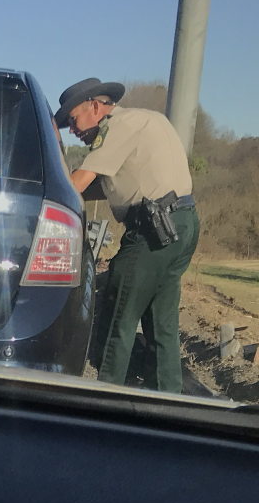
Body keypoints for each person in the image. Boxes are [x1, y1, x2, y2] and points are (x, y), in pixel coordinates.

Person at [54, 78, 199, 393]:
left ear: (95, 106)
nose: (73, 130)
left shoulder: (115, 128)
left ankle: (107, 401)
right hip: (182, 224)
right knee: (161, 325)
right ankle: (168, 402)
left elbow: (77, 183)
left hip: (152, 230)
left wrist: (51, 177)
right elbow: (98, 188)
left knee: (117, 318)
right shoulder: (147, 121)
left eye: (73, 120)